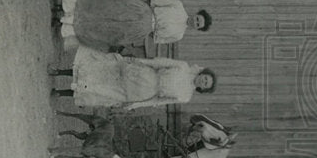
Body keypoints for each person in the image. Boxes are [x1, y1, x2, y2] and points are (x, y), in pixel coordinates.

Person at [56, 0, 212, 52]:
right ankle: (67, 10)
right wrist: (143, 8)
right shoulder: (178, 5)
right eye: (198, 19)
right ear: (196, 14)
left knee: (107, 29)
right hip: (141, 11)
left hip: (141, 30)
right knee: (107, 9)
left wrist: (145, 29)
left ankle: (68, 24)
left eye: (198, 25)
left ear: (196, 29)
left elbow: (158, 38)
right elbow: (156, 0)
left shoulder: (179, 35)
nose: (195, 22)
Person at [48, 49, 215, 108]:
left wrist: (137, 105)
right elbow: (159, 63)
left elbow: (158, 101)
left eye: (205, 84)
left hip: (142, 92)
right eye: (205, 78)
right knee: (102, 70)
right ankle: (59, 72)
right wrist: (139, 61)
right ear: (202, 73)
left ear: (203, 89)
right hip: (144, 74)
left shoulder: (185, 97)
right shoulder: (183, 67)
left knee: (104, 92)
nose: (203, 81)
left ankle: (61, 93)